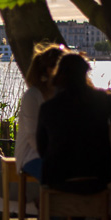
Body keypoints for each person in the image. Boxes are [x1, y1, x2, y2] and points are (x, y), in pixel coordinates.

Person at [37, 53, 111, 220]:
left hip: (58, 182)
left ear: (60, 76)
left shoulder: (48, 108)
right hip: (97, 181)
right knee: (83, 172)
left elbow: (41, 148)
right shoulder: (101, 101)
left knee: (73, 173)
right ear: (85, 74)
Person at [14, 43, 67, 179]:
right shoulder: (33, 96)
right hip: (31, 155)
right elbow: (33, 137)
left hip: (57, 154)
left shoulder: (62, 94)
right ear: (50, 70)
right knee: (58, 174)